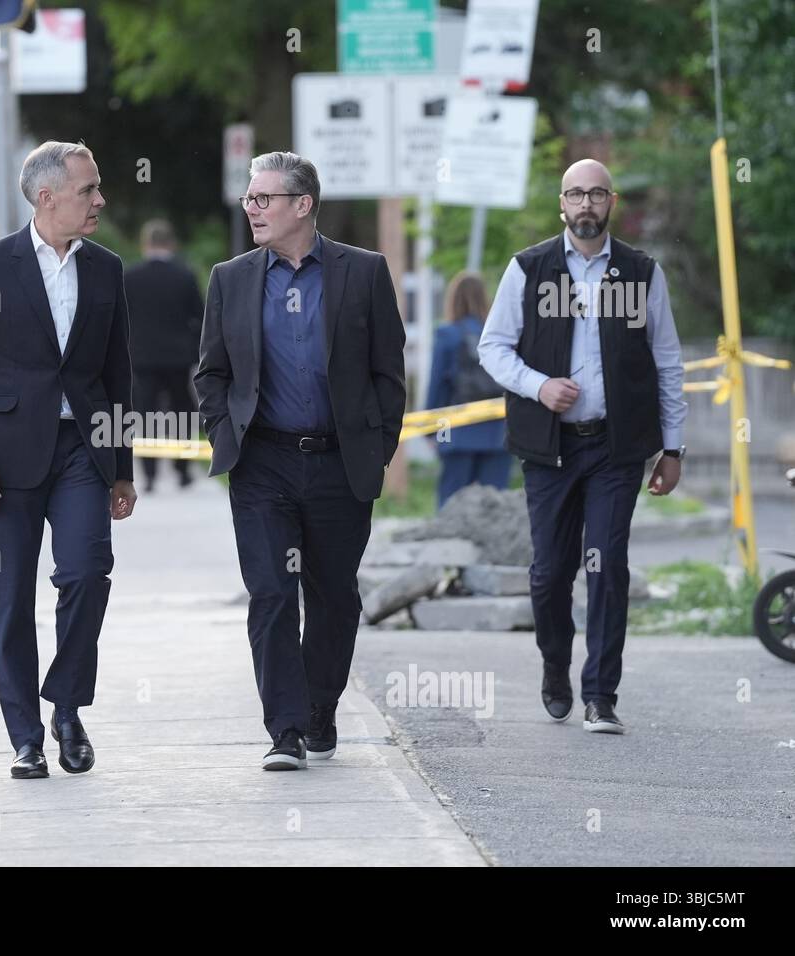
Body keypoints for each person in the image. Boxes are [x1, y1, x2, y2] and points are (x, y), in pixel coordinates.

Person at [194, 151, 406, 770]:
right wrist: (221, 429)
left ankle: (319, 708)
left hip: (340, 464)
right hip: (263, 464)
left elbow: (387, 373)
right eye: (250, 200)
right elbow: (212, 371)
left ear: (302, 205)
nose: (252, 209)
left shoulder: (362, 273)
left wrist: (378, 447)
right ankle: (284, 729)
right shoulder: (230, 278)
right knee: (271, 593)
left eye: (264, 199)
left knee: (335, 597)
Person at [0, 141, 137, 779]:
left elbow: (117, 377)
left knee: (86, 573)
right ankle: (24, 736)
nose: (100, 200)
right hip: (4, 460)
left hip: (83, 452)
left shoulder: (106, 271)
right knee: (9, 599)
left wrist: (122, 466)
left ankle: (68, 706)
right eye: (88, 190)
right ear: (47, 197)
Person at [478, 158, 687, 734]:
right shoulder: (528, 269)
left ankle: (601, 694)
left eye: (597, 194)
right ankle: (555, 667)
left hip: (617, 449)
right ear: (561, 205)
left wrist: (674, 449)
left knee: (607, 566)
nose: (586, 205)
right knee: (548, 573)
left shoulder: (642, 273)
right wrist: (538, 386)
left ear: (611, 202)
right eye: (576, 194)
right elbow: (493, 348)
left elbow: (667, 362)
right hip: (549, 448)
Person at [123, 219, 203, 491]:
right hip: (178, 358)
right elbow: (200, 317)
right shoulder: (185, 275)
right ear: (171, 243)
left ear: (145, 243)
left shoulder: (130, 276)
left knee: (144, 416)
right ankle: (182, 471)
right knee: (182, 412)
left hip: (142, 358)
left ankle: (149, 476)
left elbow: (122, 319)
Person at [425, 271, 511, 507]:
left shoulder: (447, 335)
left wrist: (433, 433)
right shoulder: (502, 336)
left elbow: (438, 388)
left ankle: (449, 545)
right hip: (499, 433)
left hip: (455, 432)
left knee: (451, 506)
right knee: (495, 507)